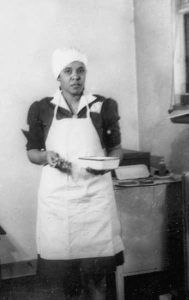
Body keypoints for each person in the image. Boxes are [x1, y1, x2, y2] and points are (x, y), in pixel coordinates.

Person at [25, 48, 124, 300]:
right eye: (68, 71)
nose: (75, 77)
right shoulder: (42, 109)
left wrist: (109, 163)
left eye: (80, 70)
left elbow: (115, 149)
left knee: (98, 276)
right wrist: (46, 157)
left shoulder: (103, 106)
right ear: (58, 76)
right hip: (59, 202)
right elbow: (33, 152)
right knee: (68, 282)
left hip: (95, 200)